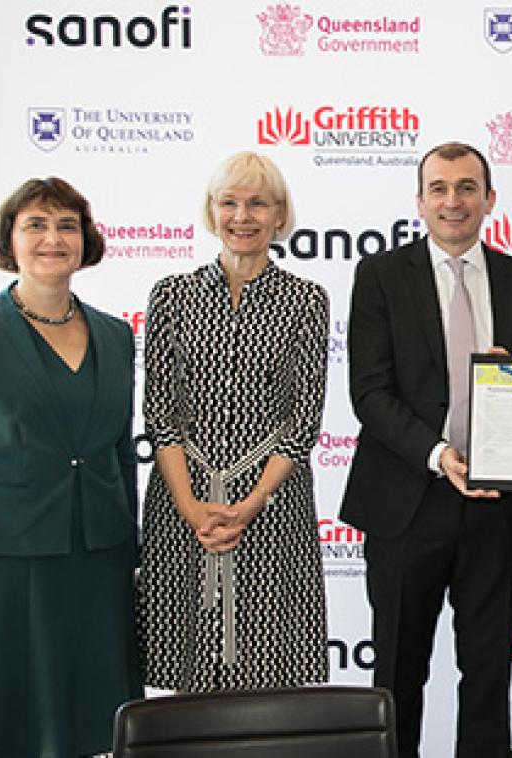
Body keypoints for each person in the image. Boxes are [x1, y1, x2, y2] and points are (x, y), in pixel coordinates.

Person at [340, 141, 512, 758]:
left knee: (489, 676)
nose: (453, 201)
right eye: (438, 188)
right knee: (397, 676)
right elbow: (370, 393)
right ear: (419, 201)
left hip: (497, 505)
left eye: (467, 187)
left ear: (489, 199)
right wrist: (439, 454)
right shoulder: (380, 276)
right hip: (408, 503)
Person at [137, 151, 328, 691]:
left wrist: (250, 503)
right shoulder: (172, 294)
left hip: (272, 505)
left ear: (279, 214)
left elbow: (302, 419)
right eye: (230, 202)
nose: (242, 216)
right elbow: (161, 413)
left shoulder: (306, 299)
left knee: (268, 669)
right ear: (212, 210)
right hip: (183, 502)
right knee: (185, 667)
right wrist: (191, 506)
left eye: (257, 203)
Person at [0, 177, 142, 756]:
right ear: (10, 239)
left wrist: (132, 547)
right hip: (13, 555)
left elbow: (118, 451)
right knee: (18, 717)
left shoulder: (115, 334)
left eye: (66, 225)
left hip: (100, 557)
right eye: (35, 224)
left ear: (86, 238)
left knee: (93, 718)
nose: (52, 238)